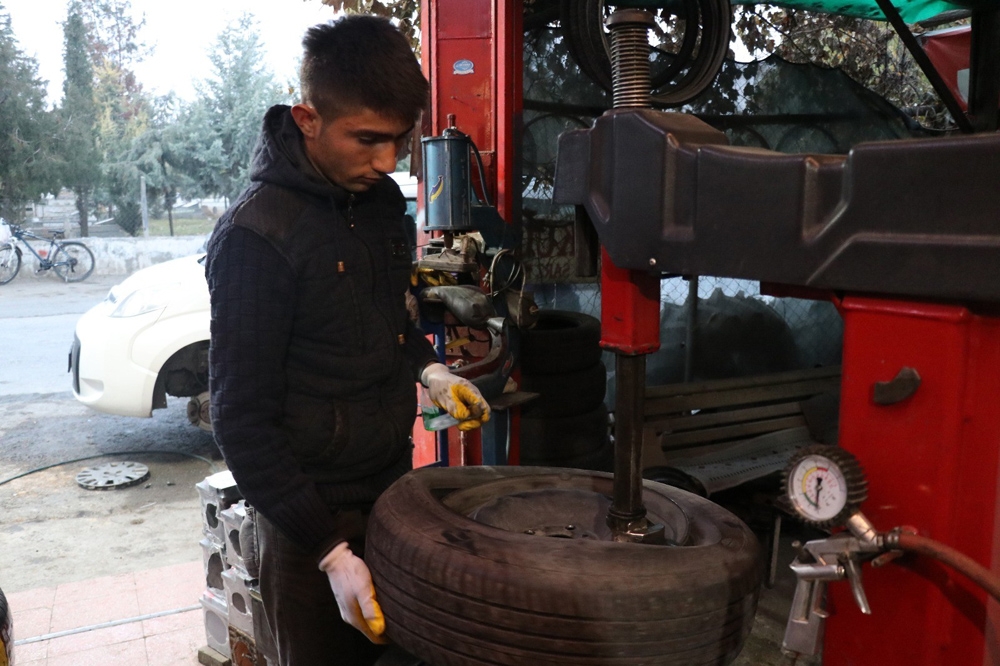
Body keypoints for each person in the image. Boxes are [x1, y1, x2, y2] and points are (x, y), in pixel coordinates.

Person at [205, 15, 490, 666]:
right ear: (308, 120)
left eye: (400, 140)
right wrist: (330, 554)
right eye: (367, 140)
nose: (387, 163)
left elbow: (391, 321)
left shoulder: (381, 204)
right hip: (306, 524)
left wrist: (430, 371)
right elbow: (241, 422)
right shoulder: (256, 236)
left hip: (392, 495)